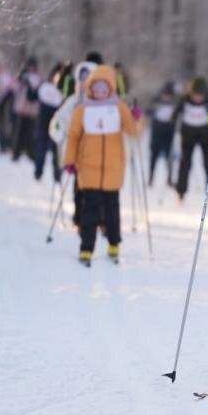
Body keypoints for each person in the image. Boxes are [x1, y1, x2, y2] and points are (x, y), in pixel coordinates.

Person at [63, 65, 141, 266]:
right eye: (96, 88)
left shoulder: (119, 107)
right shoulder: (83, 109)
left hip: (113, 169)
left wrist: (137, 117)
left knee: (112, 211)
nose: (99, 93)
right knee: (90, 211)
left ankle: (114, 244)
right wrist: (69, 161)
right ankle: (86, 248)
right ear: (89, 88)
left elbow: (133, 131)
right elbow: (73, 137)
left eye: (103, 89)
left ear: (111, 89)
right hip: (88, 168)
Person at [50, 59, 100, 224]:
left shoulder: (102, 101)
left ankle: (98, 218)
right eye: (82, 76)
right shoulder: (73, 101)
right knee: (79, 185)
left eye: (89, 76)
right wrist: (60, 136)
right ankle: (78, 217)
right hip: (77, 150)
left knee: (97, 188)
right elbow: (58, 122)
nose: (85, 80)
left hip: (98, 151)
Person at [174, 77, 208, 203]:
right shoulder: (184, 100)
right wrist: (173, 118)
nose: (198, 98)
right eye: (195, 95)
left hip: (205, 136)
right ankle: (181, 192)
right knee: (185, 164)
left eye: (200, 95)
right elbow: (175, 114)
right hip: (188, 136)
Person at [34, 62, 68, 183]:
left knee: (45, 146)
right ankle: (55, 174)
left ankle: (42, 172)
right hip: (52, 119)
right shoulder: (60, 86)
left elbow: (36, 96)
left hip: (47, 119)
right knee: (52, 147)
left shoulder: (45, 86)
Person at [11, 57, 42, 162]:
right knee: (20, 131)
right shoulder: (23, 75)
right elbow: (15, 87)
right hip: (23, 108)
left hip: (31, 109)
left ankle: (29, 152)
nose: (31, 68)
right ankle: (17, 152)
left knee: (30, 132)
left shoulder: (37, 77)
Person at [147, 81, 177, 186]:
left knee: (169, 156)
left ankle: (169, 178)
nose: (167, 98)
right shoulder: (157, 101)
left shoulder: (174, 104)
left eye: (169, 96)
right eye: (165, 95)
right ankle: (151, 177)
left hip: (169, 133)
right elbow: (148, 111)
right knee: (154, 156)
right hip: (157, 132)